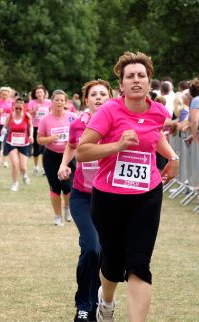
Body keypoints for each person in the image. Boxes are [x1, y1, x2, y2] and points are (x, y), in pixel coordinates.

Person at [76, 51, 179, 322]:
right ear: (120, 85)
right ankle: (106, 302)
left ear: (149, 82)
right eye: (130, 76)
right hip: (109, 197)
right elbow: (83, 152)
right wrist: (118, 145)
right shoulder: (109, 110)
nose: (136, 80)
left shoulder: (158, 112)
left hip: (147, 194)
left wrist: (173, 157)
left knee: (139, 264)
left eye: (141, 76)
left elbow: (153, 134)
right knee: (112, 264)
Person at [57, 80, 113, 322]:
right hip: (82, 196)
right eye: (94, 94)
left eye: (103, 94)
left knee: (105, 254)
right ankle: (84, 304)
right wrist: (63, 165)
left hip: (110, 197)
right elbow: (71, 146)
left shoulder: (117, 124)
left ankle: (103, 300)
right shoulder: (78, 124)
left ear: (110, 97)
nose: (99, 97)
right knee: (90, 248)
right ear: (85, 99)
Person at [37, 90, 76, 226]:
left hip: (69, 156)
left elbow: (79, 134)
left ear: (66, 102)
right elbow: (39, 140)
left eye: (62, 100)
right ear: (52, 102)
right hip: (51, 156)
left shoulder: (72, 117)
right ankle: (57, 216)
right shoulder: (45, 119)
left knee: (68, 186)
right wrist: (51, 138)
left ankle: (67, 208)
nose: (59, 102)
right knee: (55, 187)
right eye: (57, 100)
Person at [1, 98, 33, 191]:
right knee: (15, 164)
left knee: (23, 167)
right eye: (17, 108)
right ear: (14, 107)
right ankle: (15, 183)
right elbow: (5, 126)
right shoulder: (9, 116)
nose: (18, 110)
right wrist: (3, 130)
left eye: (20, 108)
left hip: (24, 143)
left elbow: (31, 126)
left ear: (23, 107)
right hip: (12, 142)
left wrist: (31, 135)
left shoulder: (27, 116)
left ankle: (24, 175)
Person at [27, 85, 52, 175]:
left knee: (46, 149)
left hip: (47, 127)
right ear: (35, 94)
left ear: (44, 93)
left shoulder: (49, 102)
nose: (39, 94)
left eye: (41, 92)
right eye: (37, 92)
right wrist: (34, 110)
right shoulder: (32, 102)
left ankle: (45, 168)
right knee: (37, 148)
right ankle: (36, 167)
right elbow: (28, 114)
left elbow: (52, 113)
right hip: (35, 127)